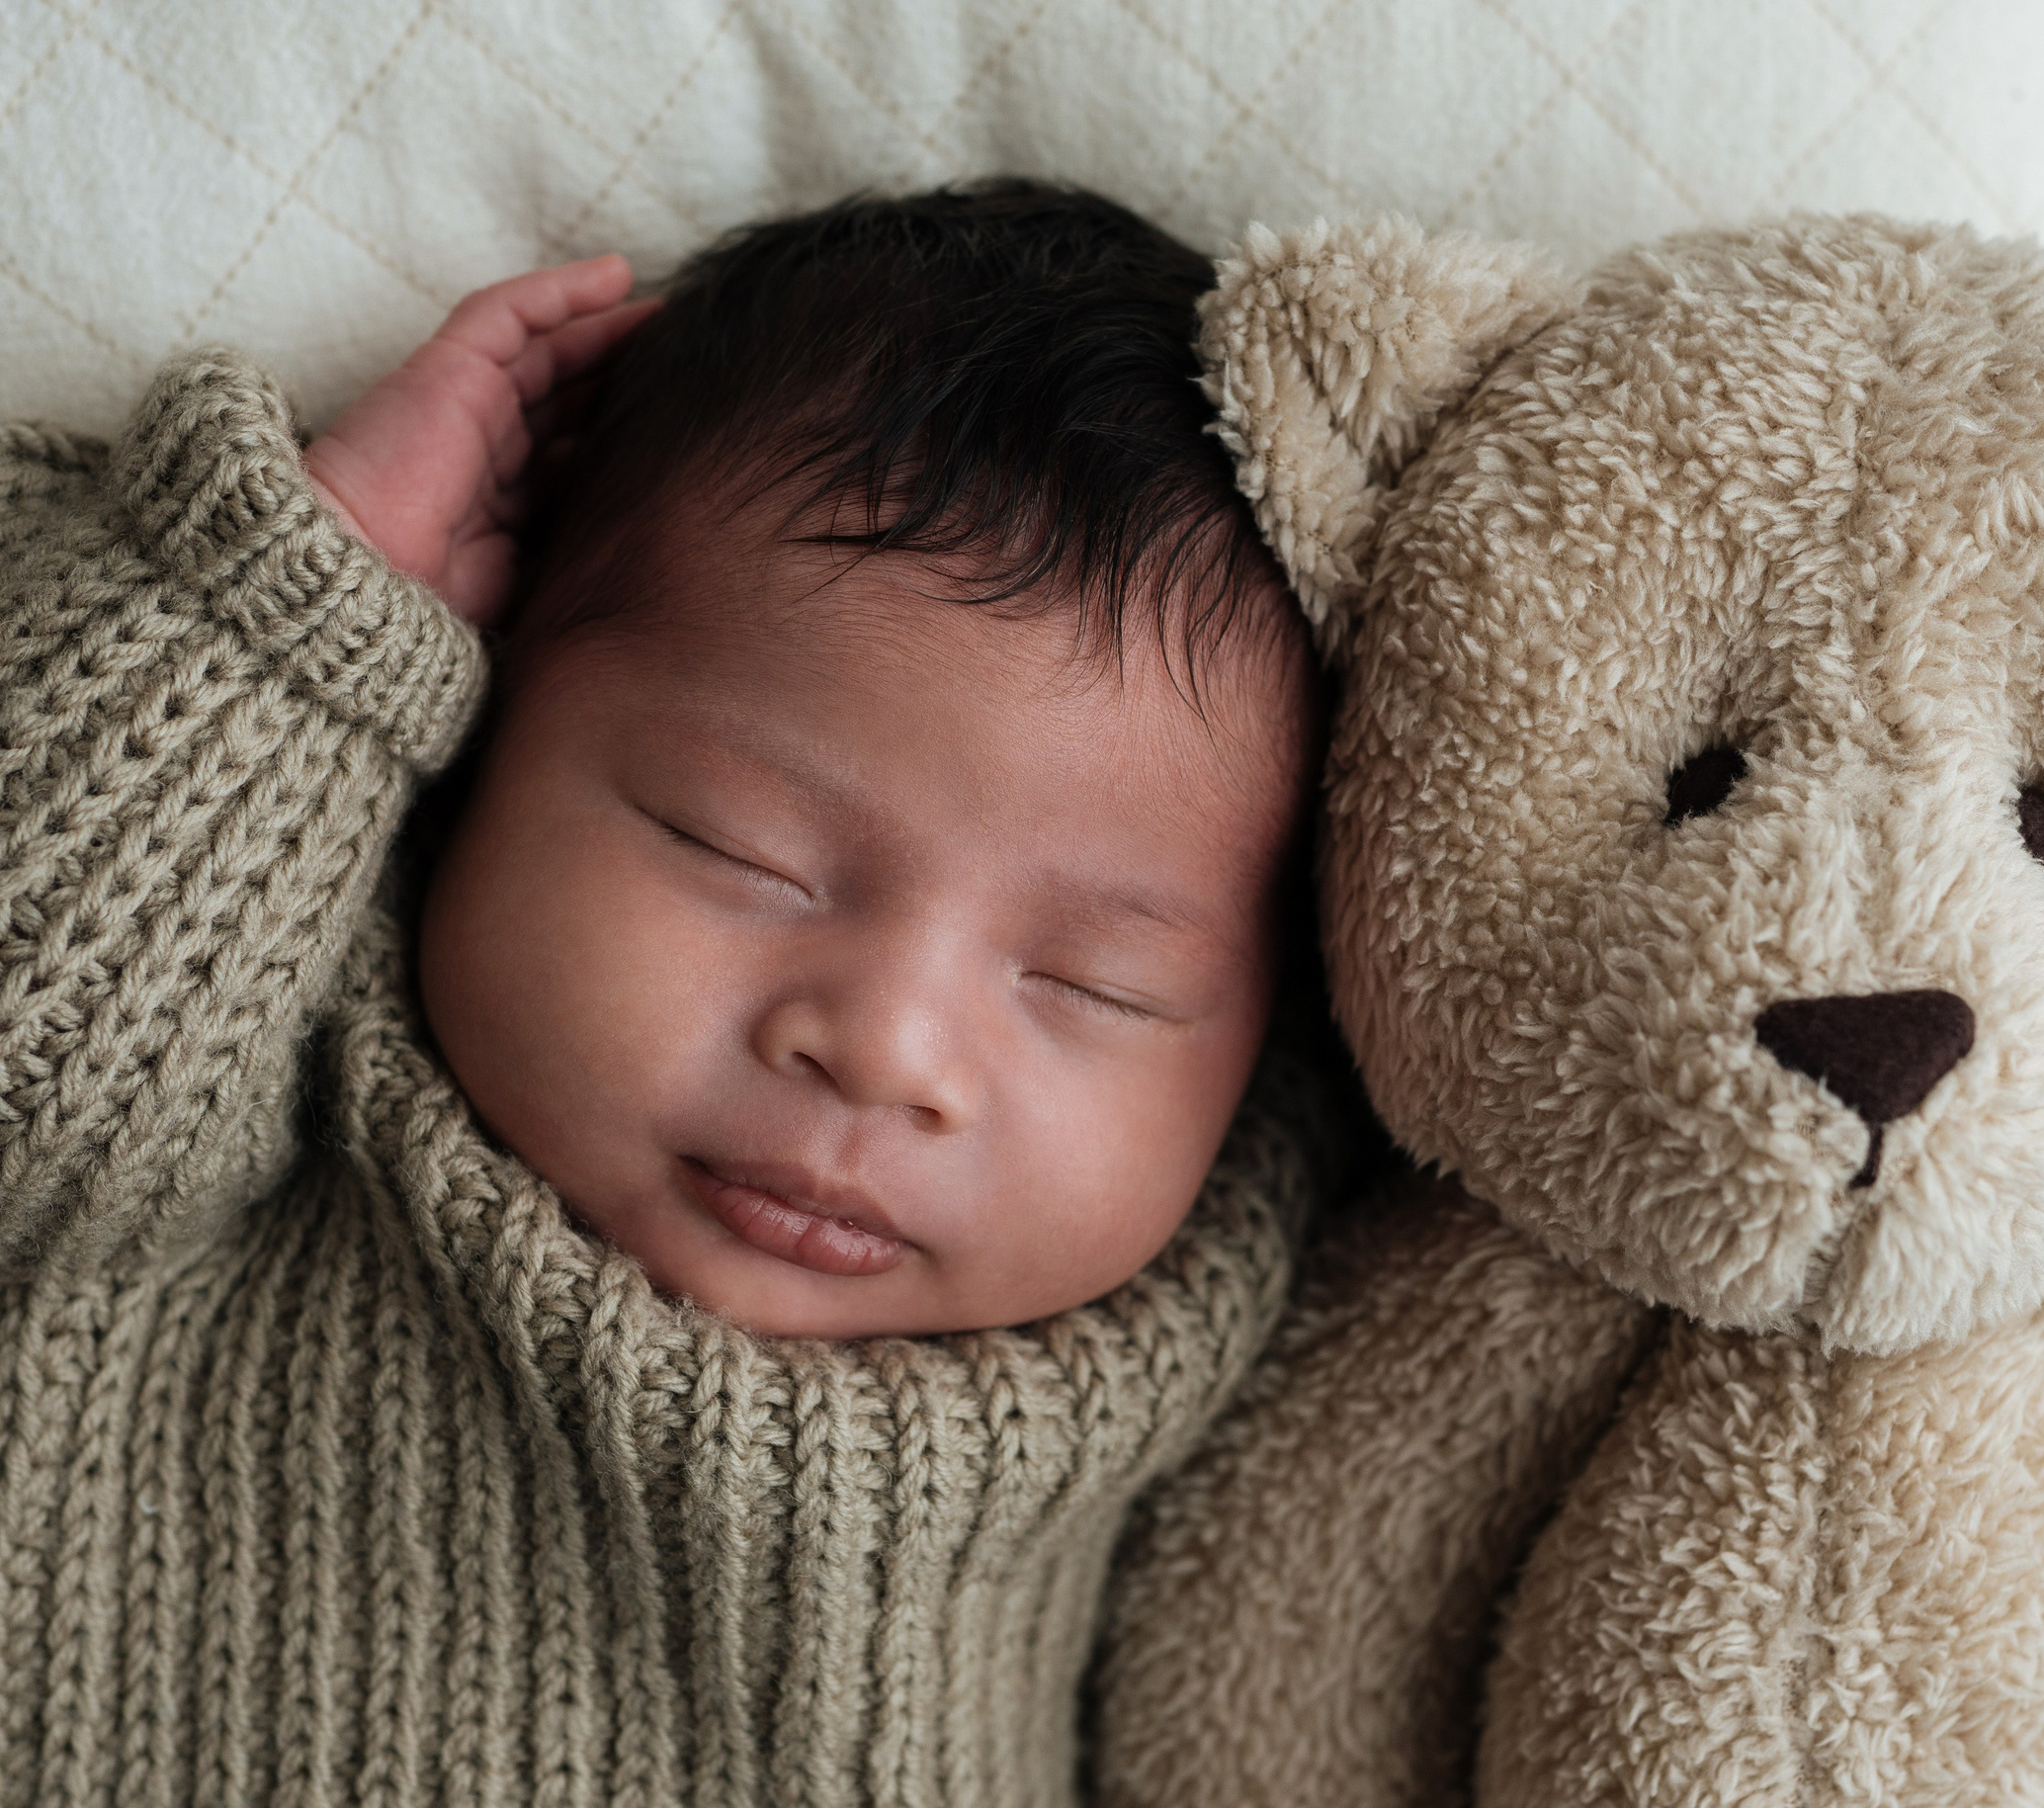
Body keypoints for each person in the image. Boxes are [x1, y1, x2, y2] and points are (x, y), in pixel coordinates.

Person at [0, 182, 1331, 1804]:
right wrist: (295, 613)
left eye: (1093, 984)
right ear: (486, 717)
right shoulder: (233, 1080)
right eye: (742, 851)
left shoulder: (1265, 1283)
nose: (885, 1050)